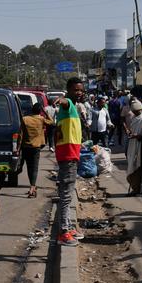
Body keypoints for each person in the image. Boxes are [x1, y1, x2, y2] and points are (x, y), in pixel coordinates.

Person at [55, 77, 85, 246]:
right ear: (68, 90)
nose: (79, 93)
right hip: (67, 155)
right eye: (76, 90)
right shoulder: (68, 105)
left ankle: (68, 227)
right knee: (66, 195)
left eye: (81, 90)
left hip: (70, 154)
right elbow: (64, 102)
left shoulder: (73, 107)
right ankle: (63, 232)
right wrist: (62, 99)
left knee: (68, 193)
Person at [23, 102, 53, 198]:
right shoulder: (41, 119)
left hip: (26, 146)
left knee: (29, 167)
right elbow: (51, 121)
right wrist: (45, 112)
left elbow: (20, 134)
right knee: (35, 167)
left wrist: (18, 147)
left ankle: (32, 186)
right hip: (36, 147)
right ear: (40, 111)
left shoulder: (25, 119)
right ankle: (32, 187)